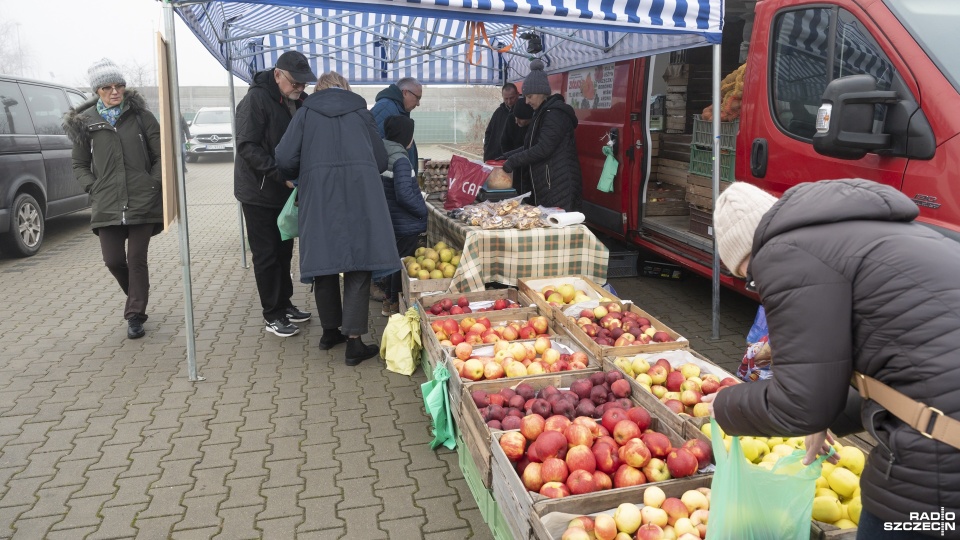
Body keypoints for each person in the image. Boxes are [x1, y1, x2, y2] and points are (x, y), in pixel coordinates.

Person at [704, 179, 960, 539]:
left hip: (939, 463)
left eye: (749, 278)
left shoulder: (781, 252)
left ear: (750, 253)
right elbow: (903, 365)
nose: (759, 289)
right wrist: (827, 415)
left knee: (889, 522)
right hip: (942, 428)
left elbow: (798, 403)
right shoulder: (862, 231)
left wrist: (725, 405)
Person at [275, 72, 399, 366]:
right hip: (361, 197)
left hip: (318, 198)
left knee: (324, 262)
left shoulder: (305, 113)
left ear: (317, 90)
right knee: (359, 263)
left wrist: (303, 171)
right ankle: (354, 343)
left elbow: (283, 157)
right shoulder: (361, 113)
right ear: (346, 89)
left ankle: (330, 332)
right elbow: (381, 159)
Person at [63, 58, 163, 340]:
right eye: (107, 87)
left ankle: (134, 315)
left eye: (119, 85)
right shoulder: (86, 123)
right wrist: (92, 188)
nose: (114, 91)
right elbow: (79, 164)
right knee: (113, 260)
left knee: (136, 258)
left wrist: (153, 182)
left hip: (143, 198)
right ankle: (136, 296)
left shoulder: (141, 117)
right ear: (97, 90)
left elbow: (160, 155)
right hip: (107, 202)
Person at [234, 51, 315, 338]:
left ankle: (285, 303)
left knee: (283, 251)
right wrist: (281, 176)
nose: (300, 89)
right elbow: (247, 146)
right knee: (266, 254)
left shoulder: (298, 101)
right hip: (258, 192)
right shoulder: (256, 100)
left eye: (304, 84)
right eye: (295, 83)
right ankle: (272, 314)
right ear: (278, 75)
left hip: (284, 190)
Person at [502, 59, 583, 211]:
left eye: (530, 96)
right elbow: (530, 145)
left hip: (559, 185)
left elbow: (543, 148)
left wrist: (513, 161)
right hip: (548, 183)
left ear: (542, 93)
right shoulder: (541, 113)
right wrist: (506, 156)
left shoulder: (554, 114)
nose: (526, 101)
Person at [369, 77, 423, 302]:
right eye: (417, 97)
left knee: (393, 251)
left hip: (393, 199)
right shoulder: (386, 109)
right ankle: (386, 292)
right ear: (405, 93)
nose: (418, 103)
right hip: (398, 208)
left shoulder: (395, 108)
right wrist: (422, 210)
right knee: (395, 254)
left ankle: (389, 293)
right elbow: (377, 145)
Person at [379, 115, 428, 316]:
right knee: (402, 264)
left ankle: (389, 301)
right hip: (404, 222)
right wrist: (422, 211)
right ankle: (397, 305)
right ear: (406, 136)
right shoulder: (400, 160)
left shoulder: (383, 153)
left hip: (390, 219)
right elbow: (404, 195)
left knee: (394, 262)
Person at [499, 97, 534, 193]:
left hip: (530, 168)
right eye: (515, 117)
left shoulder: (536, 126)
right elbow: (504, 141)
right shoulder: (511, 119)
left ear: (530, 118)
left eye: (520, 119)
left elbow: (531, 149)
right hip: (513, 166)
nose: (516, 121)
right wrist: (507, 157)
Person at [483, 83, 519, 162]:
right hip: (493, 158)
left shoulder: (522, 113)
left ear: (517, 94)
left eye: (511, 98)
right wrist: (487, 149)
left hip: (511, 160)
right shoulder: (498, 112)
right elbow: (488, 133)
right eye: (506, 99)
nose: (509, 102)